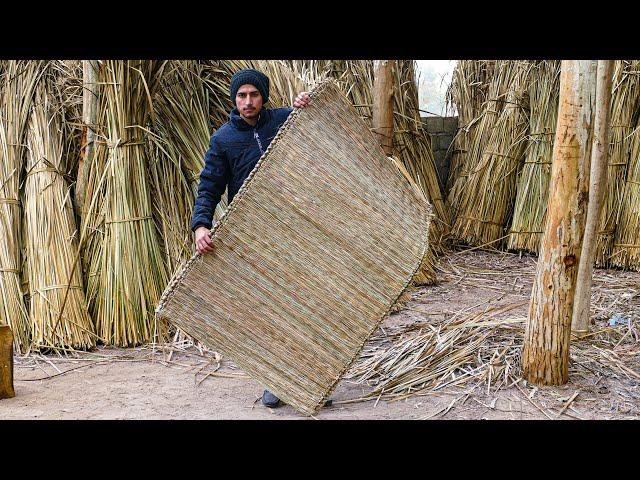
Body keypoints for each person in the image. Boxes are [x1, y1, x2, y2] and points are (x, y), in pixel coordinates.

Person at [191, 68, 311, 409]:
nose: (247, 102)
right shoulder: (223, 139)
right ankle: (276, 379)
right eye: (241, 96)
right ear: (234, 99)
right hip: (255, 237)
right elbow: (210, 186)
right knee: (268, 309)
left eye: (254, 95)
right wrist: (201, 226)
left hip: (295, 229)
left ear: (263, 96)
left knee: (303, 305)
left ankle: (313, 377)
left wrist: (307, 103)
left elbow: (317, 124)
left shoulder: (285, 121)